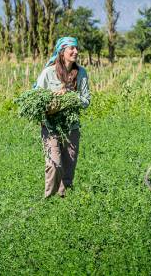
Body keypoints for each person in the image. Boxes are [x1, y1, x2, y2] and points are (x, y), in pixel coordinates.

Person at [35, 37, 90, 198]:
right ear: (61, 52)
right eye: (71, 48)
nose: (76, 51)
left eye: (76, 48)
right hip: (50, 127)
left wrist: (69, 95)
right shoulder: (48, 73)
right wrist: (53, 96)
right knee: (54, 165)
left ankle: (63, 202)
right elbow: (37, 97)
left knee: (68, 169)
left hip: (71, 128)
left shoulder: (81, 73)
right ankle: (48, 200)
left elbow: (86, 101)